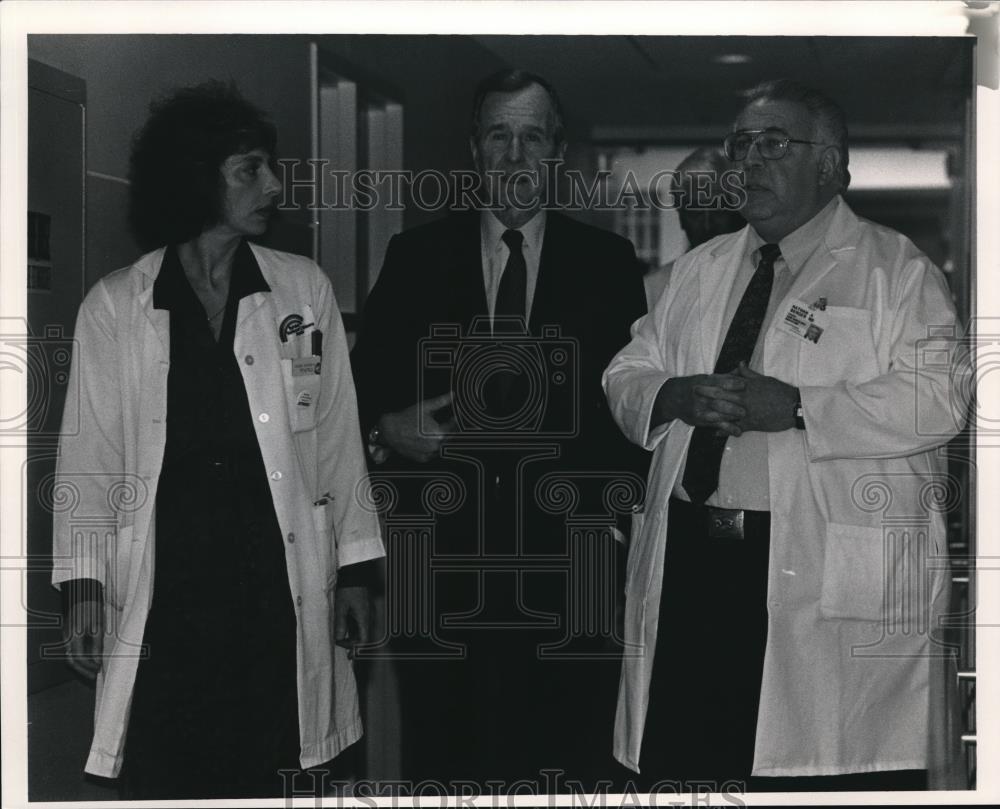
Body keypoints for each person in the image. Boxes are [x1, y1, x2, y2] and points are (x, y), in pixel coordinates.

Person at [603, 79, 965, 791]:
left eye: (774, 144)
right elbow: (626, 369)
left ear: (830, 164)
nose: (749, 161)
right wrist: (674, 393)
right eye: (741, 144)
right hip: (694, 564)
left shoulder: (897, 270)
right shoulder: (699, 270)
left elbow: (942, 395)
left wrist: (799, 406)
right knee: (690, 768)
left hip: (811, 564)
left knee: (807, 779)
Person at [52, 82, 384, 799]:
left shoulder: (303, 292)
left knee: (282, 769)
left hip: (276, 592)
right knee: (173, 773)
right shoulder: (117, 306)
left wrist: (356, 570)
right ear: (198, 179)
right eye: (250, 169)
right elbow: (92, 455)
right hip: (171, 601)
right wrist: (84, 587)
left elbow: (335, 437)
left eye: (270, 166)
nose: (273, 184)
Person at [350, 69, 648, 788]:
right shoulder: (415, 258)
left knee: (569, 762)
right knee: (444, 762)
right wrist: (389, 429)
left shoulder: (607, 267)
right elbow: (355, 400)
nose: (515, 156)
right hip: (440, 569)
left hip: (571, 572)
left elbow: (630, 414)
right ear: (474, 151)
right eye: (498, 136)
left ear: (557, 153)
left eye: (532, 138)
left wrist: (609, 525)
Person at [643, 146, 745, 308]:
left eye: (717, 210)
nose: (707, 224)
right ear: (681, 219)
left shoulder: (763, 280)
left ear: (739, 213)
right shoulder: (656, 288)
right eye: (695, 212)